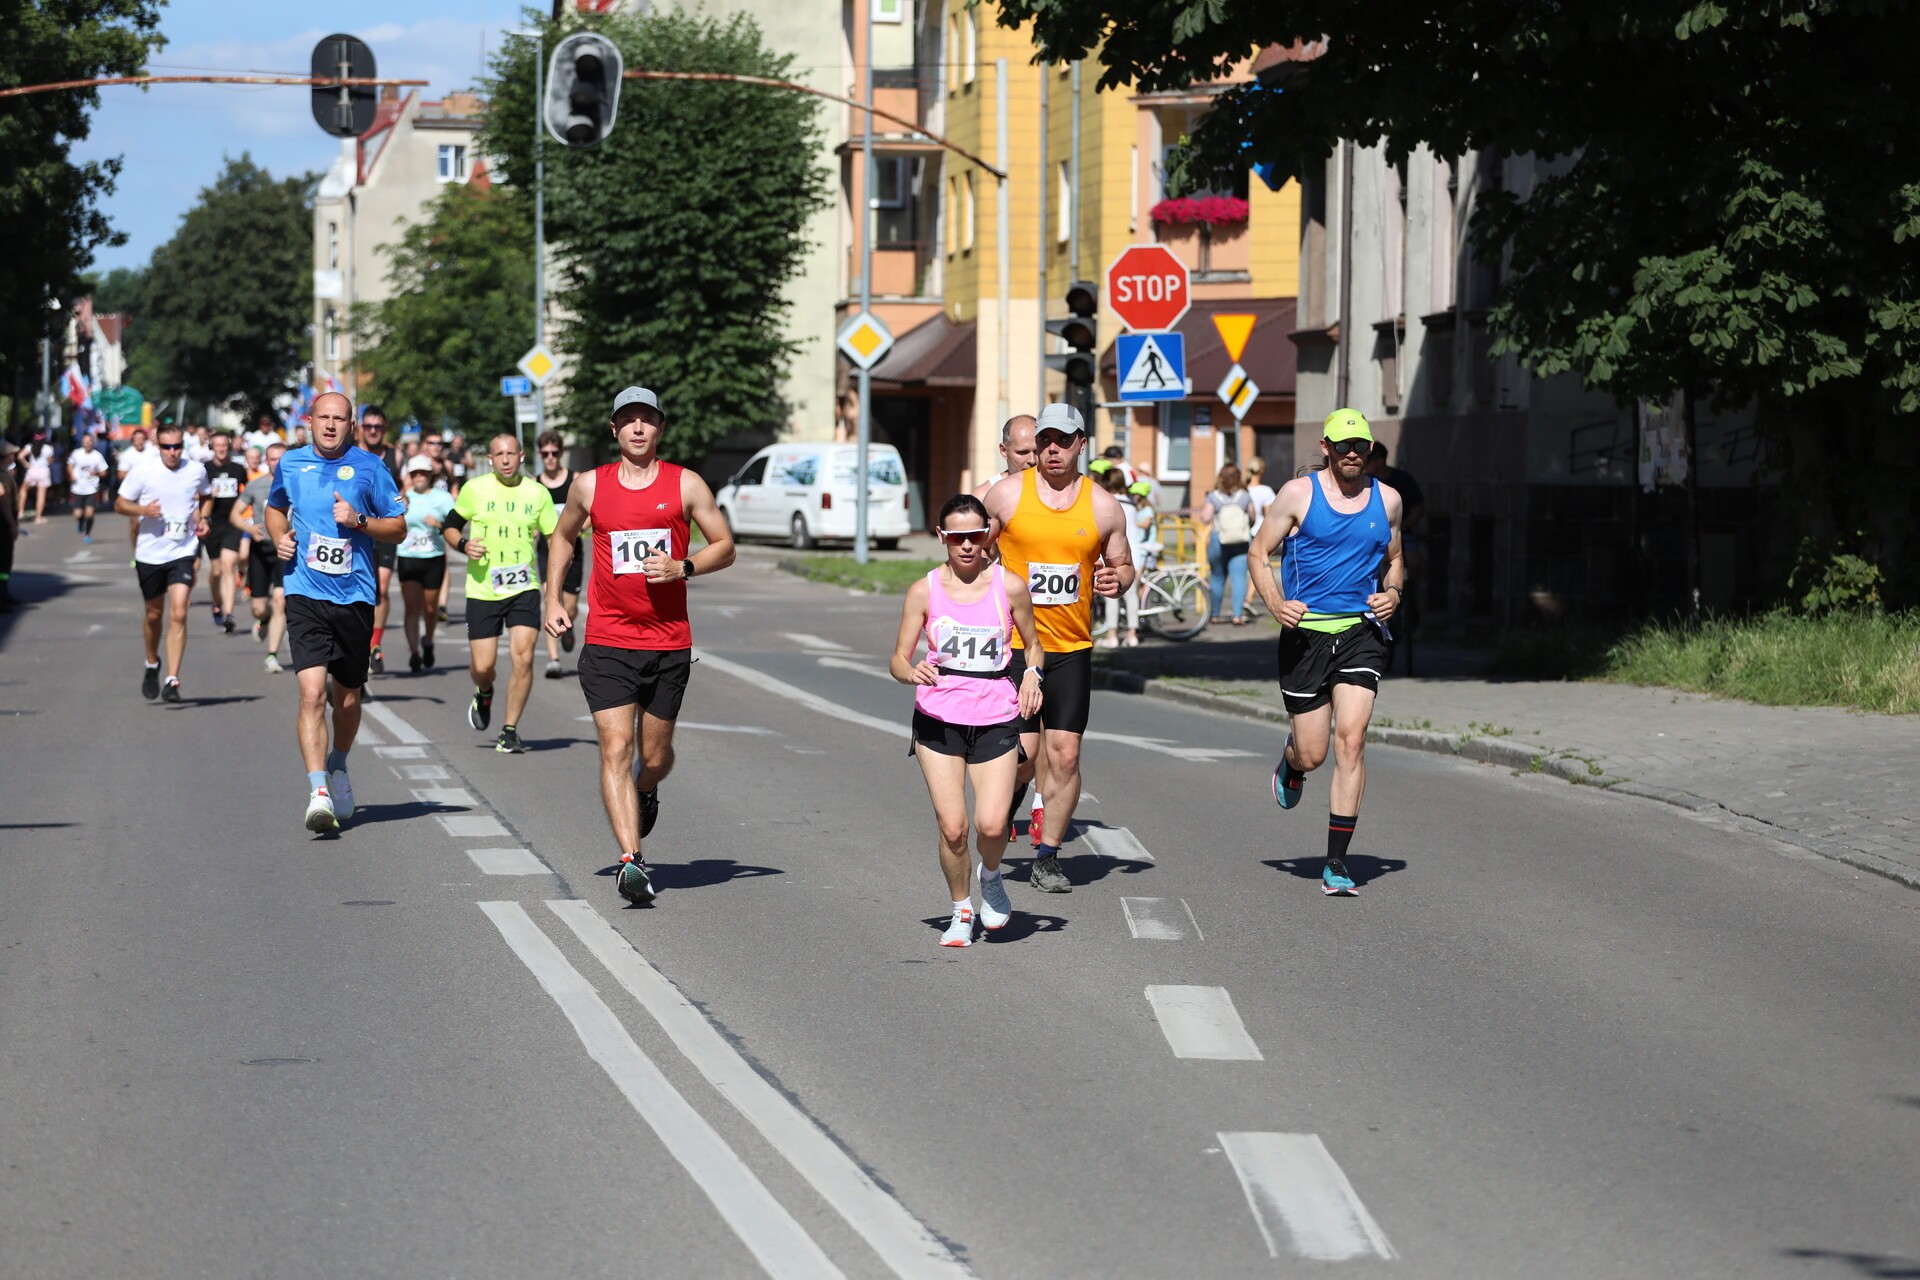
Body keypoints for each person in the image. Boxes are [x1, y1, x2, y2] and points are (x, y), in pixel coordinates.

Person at [543, 386, 735, 906]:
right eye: (627, 419)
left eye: (646, 419)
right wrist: (552, 597)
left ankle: (646, 788)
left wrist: (683, 566)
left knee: (653, 756)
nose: (637, 428)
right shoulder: (589, 485)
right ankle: (632, 860)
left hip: (668, 642)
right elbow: (562, 537)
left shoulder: (685, 483)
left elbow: (725, 546)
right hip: (608, 639)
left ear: (659, 428)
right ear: (614, 429)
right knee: (615, 748)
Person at [1247, 408, 1405, 896]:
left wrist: (1394, 593)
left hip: (1361, 633)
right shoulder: (1298, 494)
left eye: (1360, 446)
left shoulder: (1389, 500)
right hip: (1306, 636)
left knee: (1351, 741)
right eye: (1343, 446)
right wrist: (1276, 603)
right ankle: (1292, 763)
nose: (1352, 454)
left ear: (1370, 449)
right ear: (1326, 448)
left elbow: (1395, 559)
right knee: (1314, 753)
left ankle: (1336, 862)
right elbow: (1258, 552)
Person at [982, 402, 1136, 892]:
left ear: (1081, 445)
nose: (1052, 450)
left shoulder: (1103, 506)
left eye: (1063, 441)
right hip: (1013, 646)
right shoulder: (1006, 496)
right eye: (1045, 440)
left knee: (1065, 755)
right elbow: (972, 551)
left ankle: (1047, 857)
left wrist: (1118, 580)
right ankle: (1003, 808)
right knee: (1023, 756)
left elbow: (1124, 565)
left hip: (1071, 647)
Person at [891, 494, 1045, 946]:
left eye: (975, 535)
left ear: (986, 536)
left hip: (996, 716)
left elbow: (1034, 645)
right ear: (942, 537)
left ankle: (991, 876)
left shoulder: (1009, 587)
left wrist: (1032, 675)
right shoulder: (924, 590)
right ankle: (961, 909)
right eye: (956, 537)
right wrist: (910, 671)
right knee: (954, 828)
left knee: (993, 826)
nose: (966, 545)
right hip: (938, 719)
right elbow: (897, 658)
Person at [264, 391, 407, 833]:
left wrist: (359, 520)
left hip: (355, 595)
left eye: (339, 419)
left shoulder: (371, 467)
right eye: (323, 417)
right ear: (309, 421)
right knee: (311, 695)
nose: (330, 425)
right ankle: (318, 792)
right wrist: (278, 536)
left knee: (346, 700)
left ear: (351, 425)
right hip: (304, 591)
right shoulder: (291, 463)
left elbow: (398, 528)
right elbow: (274, 508)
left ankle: (338, 765)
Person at [440, 433, 556, 754]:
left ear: (521, 456)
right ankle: (484, 690)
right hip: (483, 589)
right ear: (490, 459)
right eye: (499, 455)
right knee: (482, 667)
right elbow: (449, 526)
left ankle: (510, 730)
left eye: (511, 454)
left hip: (524, 587)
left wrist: (555, 582)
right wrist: (464, 544)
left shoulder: (537, 493)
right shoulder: (474, 489)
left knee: (524, 658)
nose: (506, 460)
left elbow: (555, 538)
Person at [114, 425, 212, 703]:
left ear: (183, 445)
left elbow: (207, 495)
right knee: (154, 615)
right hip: (150, 554)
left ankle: (172, 679)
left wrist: (204, 518)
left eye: (177, 446)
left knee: (179, 612)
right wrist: (142, 510)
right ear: (158, 446)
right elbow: (120, 504)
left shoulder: (196, 470)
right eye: (167, 447)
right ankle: (151, 662)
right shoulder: (143, 471)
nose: (172, 452)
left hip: (183, 551)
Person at [396, 455, 455, 671]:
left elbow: (455, 525)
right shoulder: (403, 498)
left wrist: (439, 525)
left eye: (423, 473)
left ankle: (428, 641)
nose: (419, 477)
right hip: (408, 557)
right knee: (411, 607)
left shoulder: (443, 498)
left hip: (433, 558)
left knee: (430, 609)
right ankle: (414, 653)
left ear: (431, 475)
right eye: (415, 473)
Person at [356, 406, 404, 675]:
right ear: (361, 428)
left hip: (384, 528)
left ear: (384, 429)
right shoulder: (352, 453)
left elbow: (404, 486)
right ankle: (357, 639)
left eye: (378, 427)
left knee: (381, 588)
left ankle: (375, 644)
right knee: (362, 587)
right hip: (358, 528)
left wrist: (404, 500)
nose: (373, 431)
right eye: (368, 426)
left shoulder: (395, 455)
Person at [534, 430, 584, 679]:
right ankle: (553, 659)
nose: (550, 458)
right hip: (547, 551)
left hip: (574, 550)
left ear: (561, 453)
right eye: (546, 454)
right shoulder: (535, 485)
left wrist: (578, 528)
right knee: (551, 600)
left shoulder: (576, 481)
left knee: (570, 606)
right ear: (540, 455)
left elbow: (588, 513)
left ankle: (569, 624)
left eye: (554, 453)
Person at [237, 442, 289, 672]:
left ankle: (271, 655)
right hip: (261, 549)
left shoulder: (297, 483)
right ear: (266, 461)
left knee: (280, 600)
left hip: (285, 549)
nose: (277, 463)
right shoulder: (256, 485)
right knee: (258, 608)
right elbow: (235, 514)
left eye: (281, 458)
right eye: (273, 459)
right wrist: (249, 529)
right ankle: (264, 619)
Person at [200, 430, 250, 633]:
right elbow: (196, 495)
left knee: (229, 566)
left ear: (229, 447)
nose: (221, 449)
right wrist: (207, 495)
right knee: (217, 571)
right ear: (212, 447)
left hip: (232, 523)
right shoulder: (205, 469)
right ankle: (216, 603)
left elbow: (247, 492)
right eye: (217, 445)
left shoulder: (238, 469)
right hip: (212, 524)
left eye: (224, 445)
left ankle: (229, 614)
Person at [1196, 463, 1256, 625]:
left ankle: (1214, 614)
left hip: (1219, 541)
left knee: (1217, 577)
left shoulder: (1213, 496)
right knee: (1239, 578)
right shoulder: (1245, 496)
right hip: (1241, 542)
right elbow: (1252, 517)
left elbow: (1206, 518)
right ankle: (1237, 615)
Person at [1093, 466, 1143, 648]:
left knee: (1110, 595)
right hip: (1133, 555)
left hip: (1112, 555)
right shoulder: (1131, 504)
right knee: (1131, 597)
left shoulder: (1107, 503)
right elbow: (1134, 535)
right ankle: (1132, 634)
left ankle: (1112, 635)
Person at [969, 414, 1038, 498]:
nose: (1032, 460)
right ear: (1004, 451)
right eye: (1022, 452)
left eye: (1037, 452)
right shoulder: (984, 496)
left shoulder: (1052, 489)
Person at [67, 433, 109, 543]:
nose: (87, 444)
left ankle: (87, 534)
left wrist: (97, 473)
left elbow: (104, 472)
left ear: (93, 443)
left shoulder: (97, 456)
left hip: (92, 488)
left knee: (90, 513)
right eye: (85, 442)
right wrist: (71, 474)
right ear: (82, 443)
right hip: (77, 488)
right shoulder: (76, 453)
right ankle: (81, 521)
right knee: (78, 514)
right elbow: (69, 464)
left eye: (89, 442)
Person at [18, 434, 53, 526]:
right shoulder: (48, 448)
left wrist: (26, 464)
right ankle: (38, 517)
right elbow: (50, 461)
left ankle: (20, 511)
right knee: (41, 495)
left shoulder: (29, 446)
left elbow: (20, 456)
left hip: (32, 470)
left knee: (23, 490)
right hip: (43, 471)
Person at [0, 439, 19, 610]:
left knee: (6, 561)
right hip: (3, 523)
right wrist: (12, 523)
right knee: (3, 559)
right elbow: (3, 499)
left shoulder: (5, 473)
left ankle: (4, 592)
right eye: (11, 453)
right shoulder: (2, 475)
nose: (14, 456)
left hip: (5, 521)